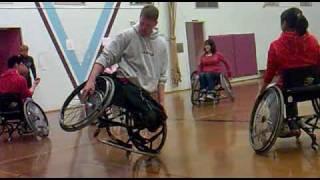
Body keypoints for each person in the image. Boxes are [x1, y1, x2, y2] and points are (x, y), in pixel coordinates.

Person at [83, 5, 168, 132]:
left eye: (148, 25)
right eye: (142, 23)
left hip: (145, 91)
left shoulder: (161, 44)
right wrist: (90, 80)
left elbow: (162, 77)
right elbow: (105, 57)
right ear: (139, 18)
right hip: (126, 84)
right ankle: (97, 111)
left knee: (158, 118)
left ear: (155, 24)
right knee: (148, 114)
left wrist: (161, 102)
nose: (143, 28)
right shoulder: (127, 36)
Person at [258, 7, 320, 135]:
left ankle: (279, 125)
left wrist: (262, 91)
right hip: (313, 87)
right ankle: (294, 121)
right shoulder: (313, 41)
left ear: (284, 23)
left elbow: (269, 73)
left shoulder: (276, 45)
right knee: (296, 84)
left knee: (272, 93)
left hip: (288, 88)